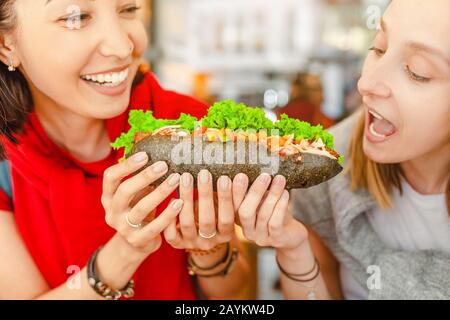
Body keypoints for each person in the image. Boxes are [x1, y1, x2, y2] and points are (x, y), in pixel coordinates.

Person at [0, 0, 253, 300]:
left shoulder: (193, 129)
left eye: (128, 9)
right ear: (6, 45)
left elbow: (236, 295)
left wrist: (208, 245)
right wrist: (127, 249)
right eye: (76, 17)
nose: (122, 47)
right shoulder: (6, 166)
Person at [233, 0, 450, 299]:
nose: (366, 83)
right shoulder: (324, 174)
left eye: (417, 72)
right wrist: (294, 249)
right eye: (379, 48)